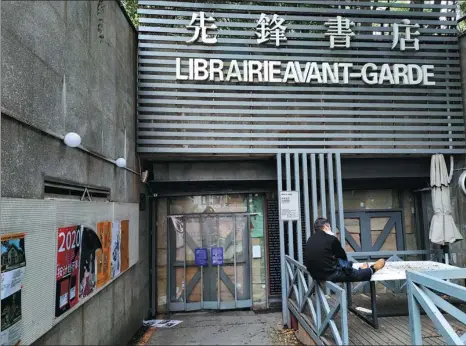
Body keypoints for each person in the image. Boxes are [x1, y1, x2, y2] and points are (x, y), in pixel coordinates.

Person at [304, 217, 385, 282]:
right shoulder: (331, 239)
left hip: (314, 274)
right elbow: (342, 257)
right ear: (326, 226)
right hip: (328, 275)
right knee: (354, 274)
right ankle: (372, 269)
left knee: (344, 264)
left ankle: (359, 267)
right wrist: (347, 268)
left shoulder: (310, 239)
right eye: (329, 226)